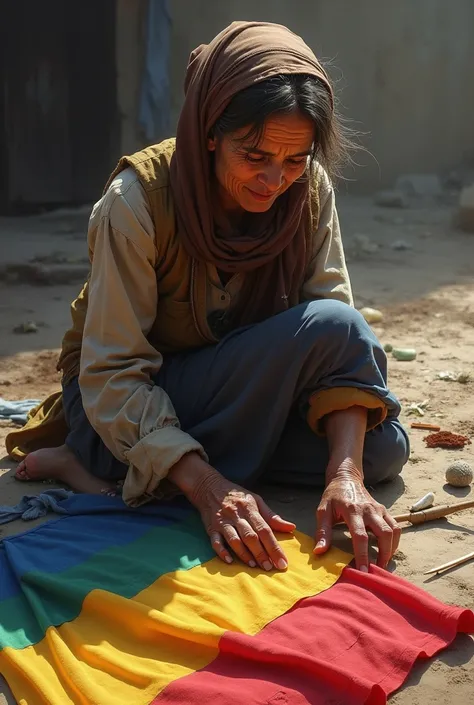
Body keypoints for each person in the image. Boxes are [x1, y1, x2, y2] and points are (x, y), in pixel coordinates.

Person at [7, 21, 409, 575]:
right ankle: (105, 457)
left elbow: (336, 351)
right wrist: (209, 488)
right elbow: (112, 373)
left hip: (235, 388)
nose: (275, 180)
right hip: (133, 390)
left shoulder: (308, 189)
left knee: (380, 449)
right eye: (256, 154)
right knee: (334, 329)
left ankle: (123, 468)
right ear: (210, 132)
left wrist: (347, 476)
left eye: (294, 159)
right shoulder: (136, 201)